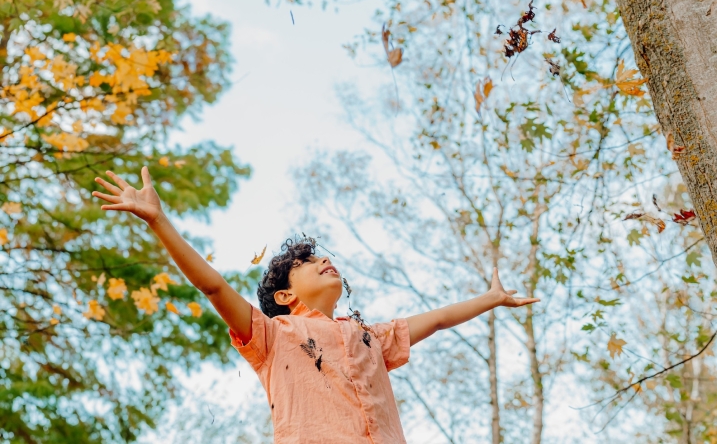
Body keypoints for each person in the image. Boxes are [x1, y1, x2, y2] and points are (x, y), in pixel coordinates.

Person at [92, 166, 540, 443]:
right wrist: (158, 220)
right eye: (306, 262)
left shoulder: (371, 338)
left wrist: (491, 299)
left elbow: (439, 320)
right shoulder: (272, 336)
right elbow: (213, 288)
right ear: (284, 297)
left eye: (322, 255)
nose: (324, 259)